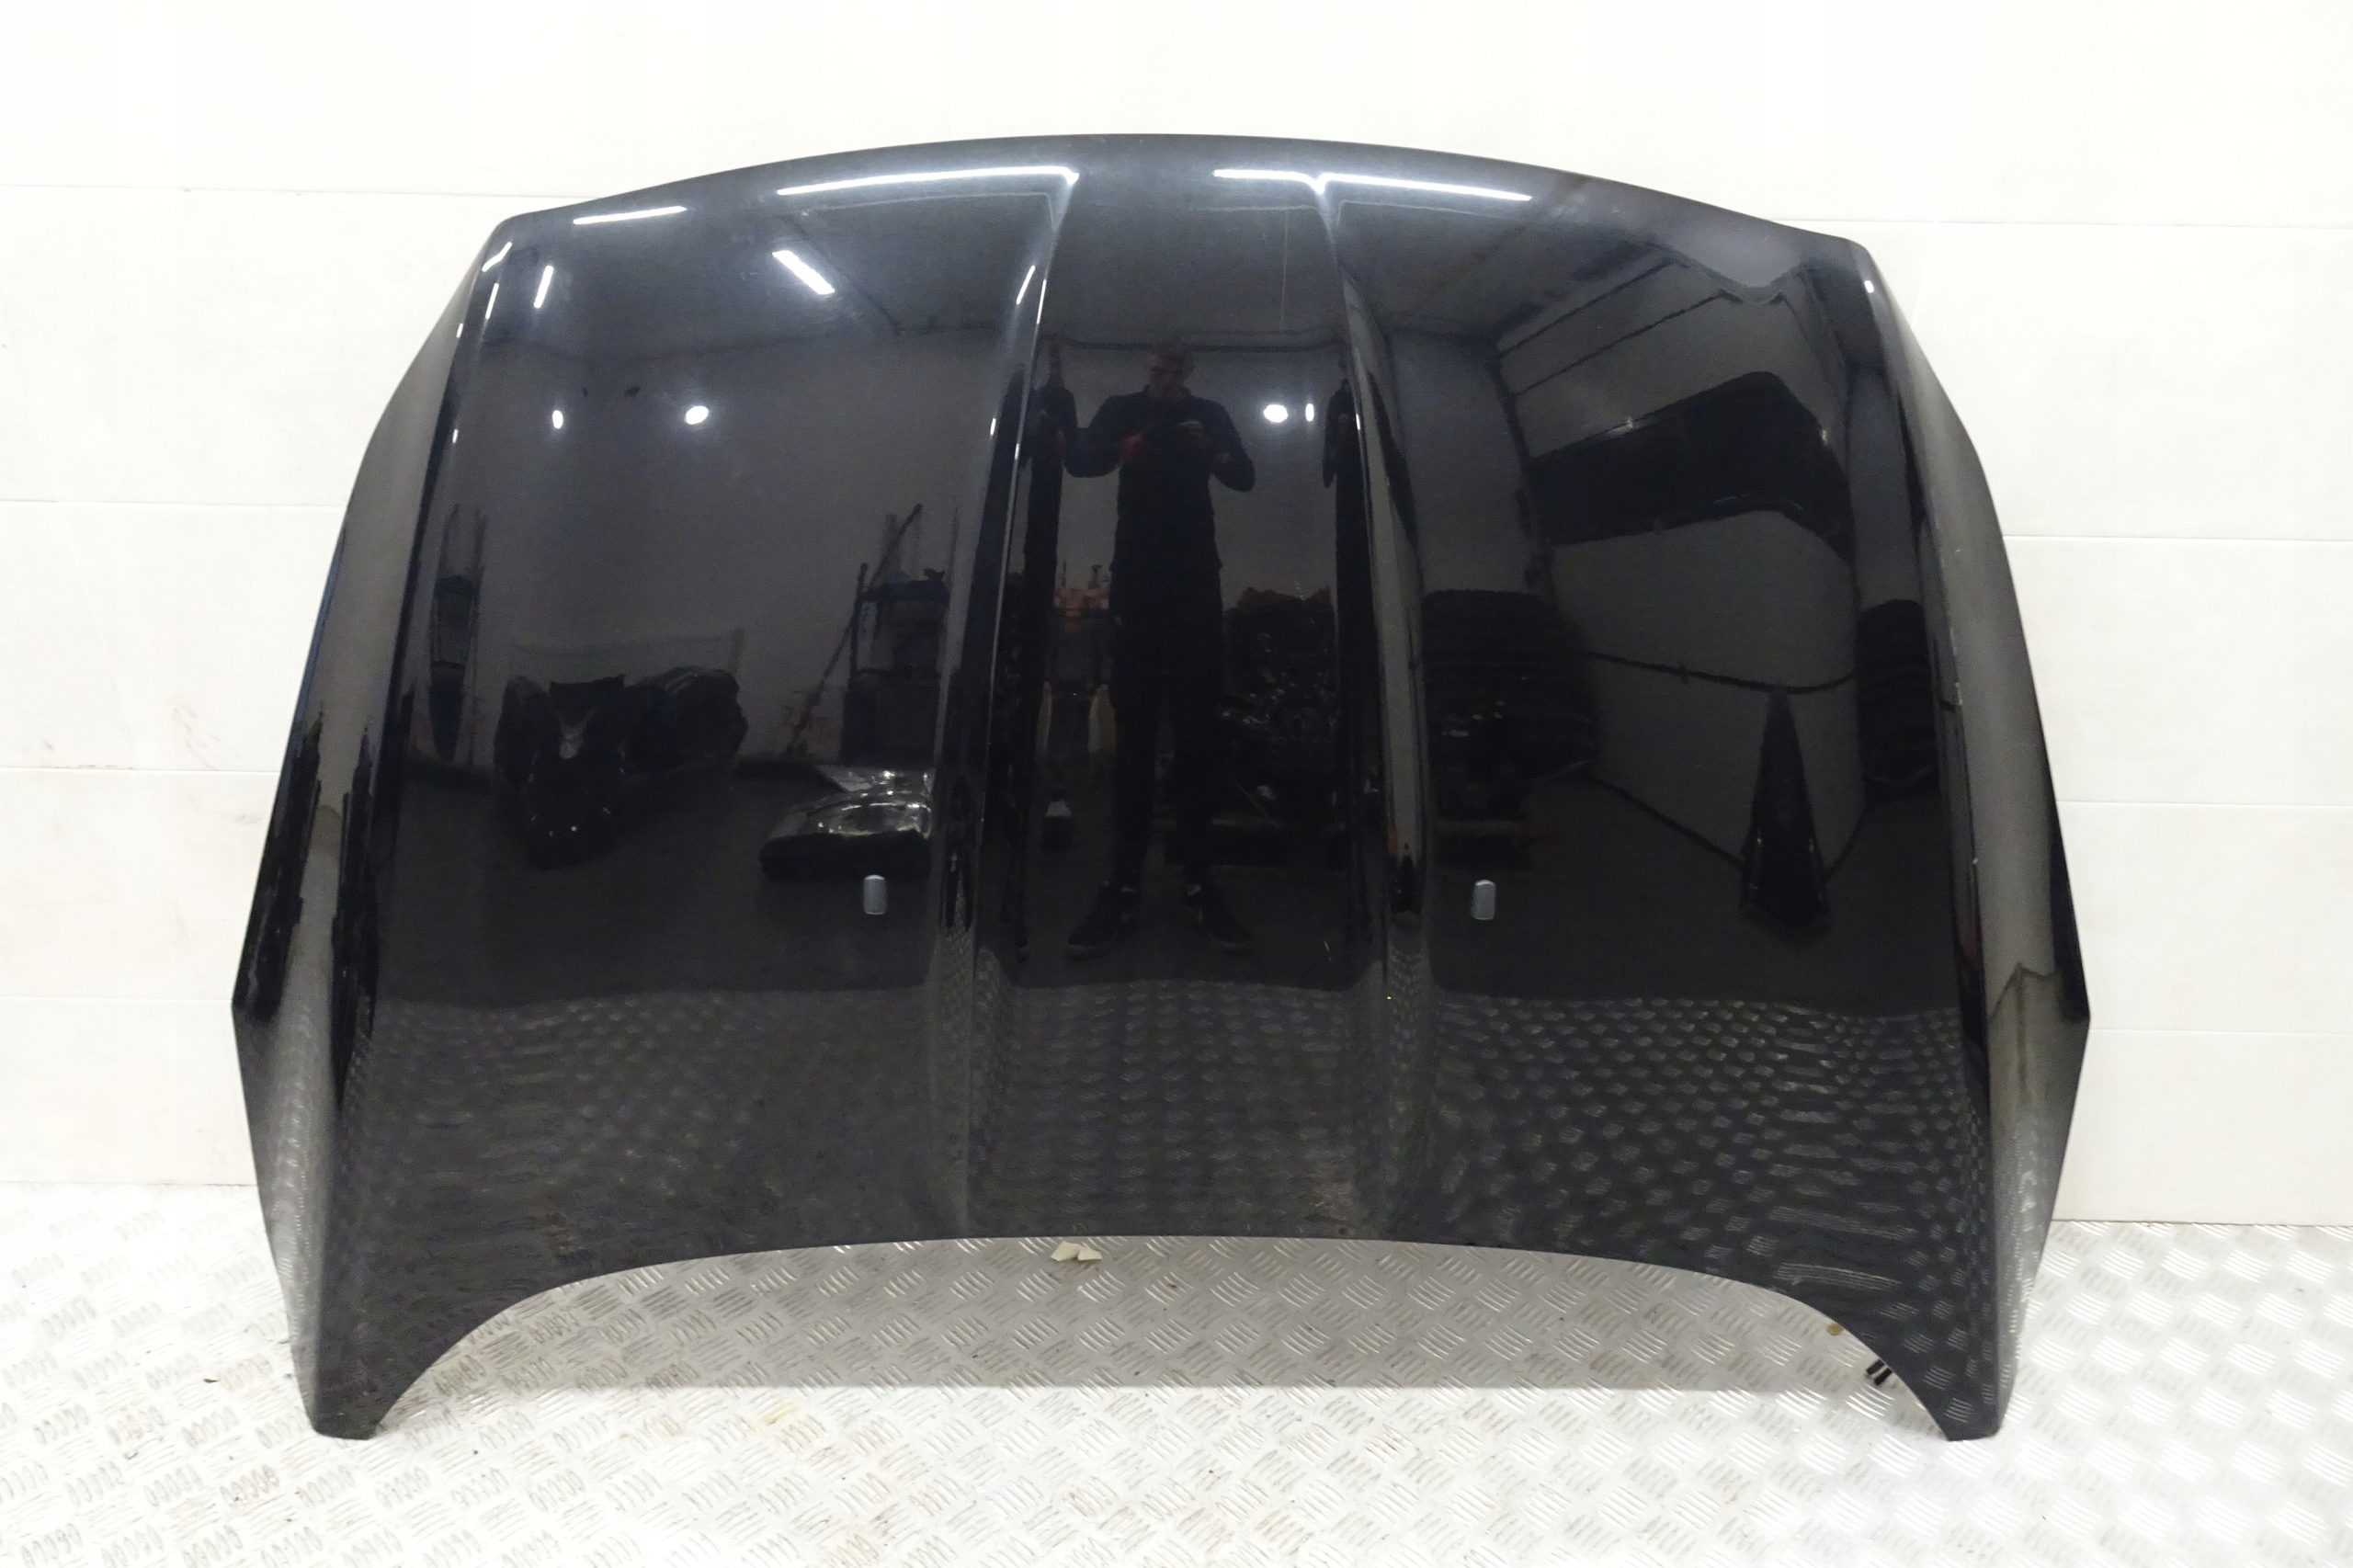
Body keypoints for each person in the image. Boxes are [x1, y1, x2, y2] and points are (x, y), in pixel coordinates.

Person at [1063, 338, 1256, 958]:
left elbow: (1245, 477)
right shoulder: (1122, 410)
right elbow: (1080, 462)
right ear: (1146, 367)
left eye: (1177, 368)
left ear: (1189, 370)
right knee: (1136, 733)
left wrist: (1212, 450)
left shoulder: (1210, 415)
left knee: (1199, 731)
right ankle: (1123, 882)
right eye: (1159, 367)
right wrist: (1128, 448)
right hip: (1139, 587)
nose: (1168, 376)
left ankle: (1199, 879)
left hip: (1195, 584)